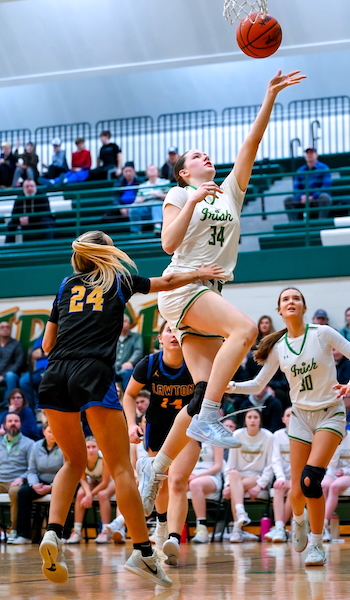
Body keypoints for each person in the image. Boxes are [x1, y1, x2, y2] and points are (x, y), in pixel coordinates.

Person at [136, 69, 306, 530]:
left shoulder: (230, 190)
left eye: (206, 153)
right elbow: (168, 245)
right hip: (181, 287)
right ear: (184, 171)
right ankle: (210, 416)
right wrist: (192, 201)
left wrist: (268, 96)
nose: (204, 156)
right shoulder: (179, 192)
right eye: (195, 156)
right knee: (247, 330)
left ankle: (155, 465)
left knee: (197, 393)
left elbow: (250, 143)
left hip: (209, 291)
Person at [36, 228, 224, 586]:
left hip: (55, 373)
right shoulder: (119, 280)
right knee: (122, 467)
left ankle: (53, 533)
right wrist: (200, 273)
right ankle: (143, 551)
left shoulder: (64, 286)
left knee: (72, 462)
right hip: (92, 371)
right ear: (108, 254)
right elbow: (167, 282)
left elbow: (47, 343)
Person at [227, 287, 350, 566]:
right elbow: (259, 384)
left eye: (296, 298)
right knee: (296, 491)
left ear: (304, 308)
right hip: (300, 418)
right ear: (280, 310)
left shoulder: (323, 334)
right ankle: (298, 520)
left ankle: (316, 545)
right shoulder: (280, 348)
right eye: (286, 299)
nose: (291, 302)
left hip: (330, 413)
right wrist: (228, 385)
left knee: (310, 480)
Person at [123, 321, 197, 553]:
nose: (174, 335)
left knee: (177, 481)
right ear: (159, 338)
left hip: (187, 429)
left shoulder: (196, 362)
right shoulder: (149, 364)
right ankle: (162, 525)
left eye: (179, 331)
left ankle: (174, 539)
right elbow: (128, 395)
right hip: (157, 427)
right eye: (169, 330)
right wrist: (132, 424)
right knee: (161, 484)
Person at [223, 409, 273, 543]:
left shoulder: (268, 436)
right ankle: (241, 514)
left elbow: (270, 465)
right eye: (249, 417)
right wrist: (227, 484)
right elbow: (230, 465)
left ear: (260, 420)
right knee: (233, 474)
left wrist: (260, 485)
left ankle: (236, 530)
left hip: (258, 477)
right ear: (245, 420)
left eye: (255, 417)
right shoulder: (237, 435)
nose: (252, 420)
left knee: (235, 488)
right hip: (238, 477)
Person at [12, 423, 63, 544]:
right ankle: (23, 535)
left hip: (58, 482)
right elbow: (32, 470)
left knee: (63, 493)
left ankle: (62, 534)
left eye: (55, 431)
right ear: (44, 432)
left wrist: (51, 486)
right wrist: (34, 484)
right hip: (40, 482)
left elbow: (65, 470)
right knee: (23, 493)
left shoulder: (63, 446)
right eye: (50, 431)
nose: (52, 435)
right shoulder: (35, 446)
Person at [67, 436, 115, 544]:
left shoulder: (103, 459)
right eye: (88, 447)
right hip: (94, 481)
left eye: (94, 447)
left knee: (102, 495)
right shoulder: (81, 459)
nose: (91, 450)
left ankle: (105, 531)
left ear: (98, 448)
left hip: (111, 481)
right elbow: (83, 480)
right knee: (80, 493)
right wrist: (88, 494)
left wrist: (90, 495)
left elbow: (105, 483)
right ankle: (77, 531)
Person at [0, 412, 34, 543]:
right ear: (4, 425)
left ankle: (14, 530)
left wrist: (22, 478)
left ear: (20, 424)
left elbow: (32, 467)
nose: (13, 423)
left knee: (15, 492)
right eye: (10, 421)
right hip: (1, 480)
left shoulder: (29, 443)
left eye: (16, 421)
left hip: (17, 481)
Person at [264, 406, 292, 543]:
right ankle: (280, 528)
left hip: (300, 478)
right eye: (288, 415)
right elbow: (275, 459)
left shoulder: (307, 434)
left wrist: (296, 479)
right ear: (283, 419)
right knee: (278, 486)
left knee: (295, 488)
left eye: (294, 415)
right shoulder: (277, 436)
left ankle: (278, 527)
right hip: (284, 477)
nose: (291, 417)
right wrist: (281, 477)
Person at [189, 443, 224, 544]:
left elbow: (218, 466)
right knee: (175, 485)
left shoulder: (215, 438)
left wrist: (197, 476)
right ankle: (168, 528)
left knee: (195, 484)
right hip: (190, 475)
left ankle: (202, 528)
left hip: (211, 476)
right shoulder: (188, 436)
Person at [284, 148, 332, 221]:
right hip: (303, 199)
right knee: (288, 200)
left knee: (325, 197)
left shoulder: (324, 168)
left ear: (316, 155)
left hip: (317, 198)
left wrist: (312, 197)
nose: (309, 155)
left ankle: (321, 222)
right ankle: (294, 225)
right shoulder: (300, 170)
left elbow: (326, 186)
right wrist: (302, 197)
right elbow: (296, 188)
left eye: (311, 153)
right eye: (307, 153)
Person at [321, 430, 350, 542]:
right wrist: (337, 442)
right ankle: (322, 527)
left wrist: (346, 471)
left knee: (334, 487)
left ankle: (323, 525)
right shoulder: (331, 437)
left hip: (348, 473)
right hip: (333, 472)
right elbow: (331, 464)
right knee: (323, 485)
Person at [129, 164, 169, 233]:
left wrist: (159, 195)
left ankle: (157, 227)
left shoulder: (165, 182)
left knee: (156, 204)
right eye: (150, 170)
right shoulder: (142, 186)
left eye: (153, 169)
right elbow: (137, 199)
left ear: (158, 172)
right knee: (133, 209)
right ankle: (136, 232)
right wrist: (139, 200)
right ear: (146, 173)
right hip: (145, 207)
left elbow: (170, 196)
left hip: (160, 206)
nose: (152, 171)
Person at [101, 162, 143, 228]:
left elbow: (141, 197)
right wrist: (120, 207)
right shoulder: (119, 182)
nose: (128, 173)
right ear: (123, 172)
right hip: (121, 206)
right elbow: (115, 196)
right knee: (109, 210)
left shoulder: (140, 182)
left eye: (130, 171)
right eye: (126, 171)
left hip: (134, 205)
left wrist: (131, 207)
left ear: (134, 172)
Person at [115, 314, 144, 390]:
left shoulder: (136, 337)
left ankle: (127, 399)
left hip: (127, 368)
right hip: (113, 368)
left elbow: (138, 351)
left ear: (129, 323)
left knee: (128, 372)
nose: (123, 324)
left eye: (125, 321)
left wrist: (130, 362)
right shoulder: (113, 338)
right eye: (121, 322)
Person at [19, 337, 48, 410]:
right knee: (24, 381)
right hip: (39, 371)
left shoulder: (63, 339)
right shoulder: (42, 340)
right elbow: (34, 354)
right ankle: (36, 407)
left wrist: (43, 352)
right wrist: (51, 352)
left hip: (55, 371)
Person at [0, 321, 24, 405]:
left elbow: (19, 363)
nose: (5, 329)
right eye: (2, 327)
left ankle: (8, 405)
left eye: (7, 327)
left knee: (10, 376)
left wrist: (3, 375)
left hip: (10, 375)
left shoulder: (16, 344)